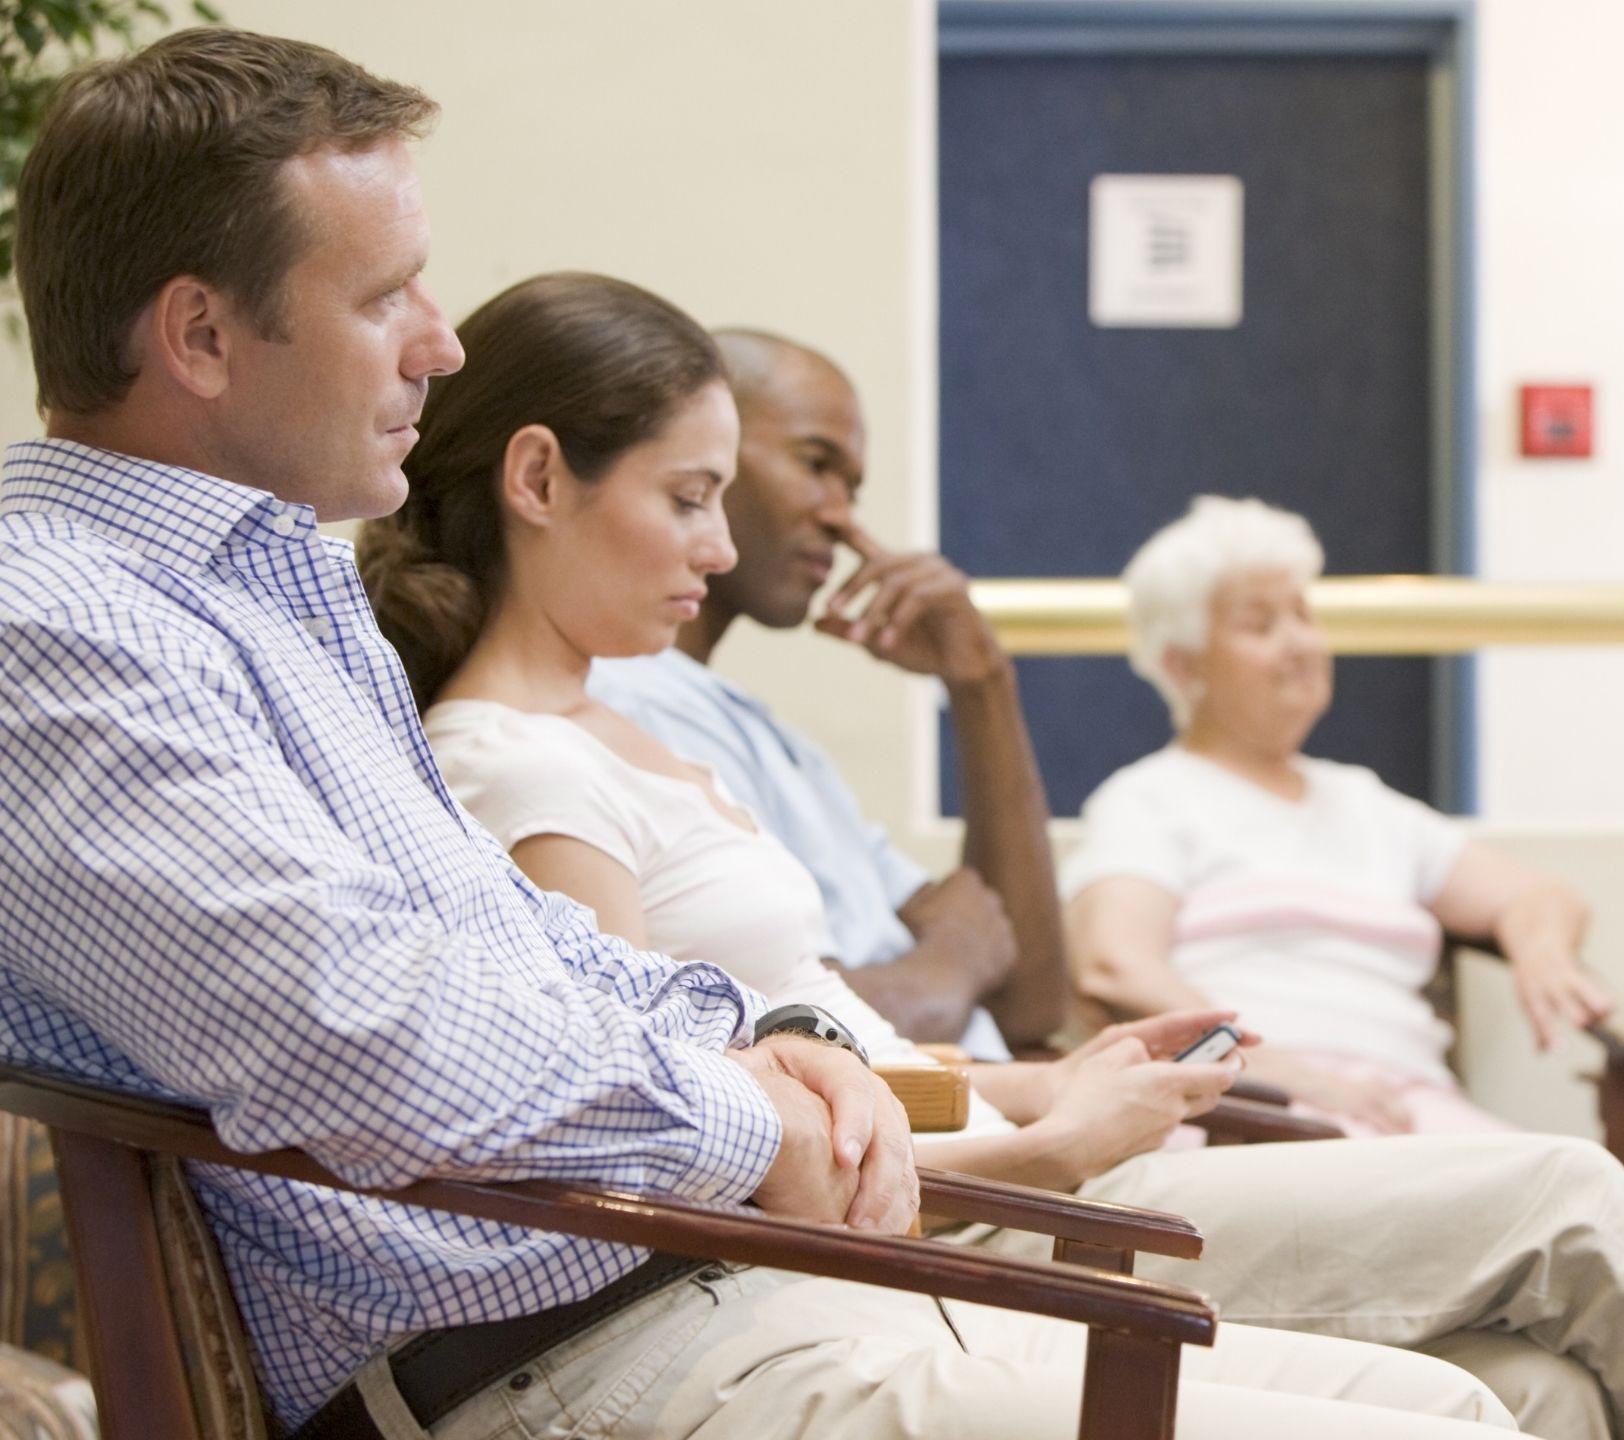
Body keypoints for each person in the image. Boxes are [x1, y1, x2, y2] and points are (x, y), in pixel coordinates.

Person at [378, 304, 1624, 1440]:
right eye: (691, 497)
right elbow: (666, 1150)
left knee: (1535, 1386)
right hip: (867, 1244)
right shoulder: (512, 761)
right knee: (1561, 1202)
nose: (722, 543)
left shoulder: (629, 733)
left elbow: (818, 1048)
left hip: (934, 1174)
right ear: (539, 479)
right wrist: (1044, 1137)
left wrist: (1049, 1081)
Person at [0, 28, 928, 1439]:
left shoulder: (268, 589)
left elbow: (518, 944)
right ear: (198, 336)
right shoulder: (48, 618)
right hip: (536, 1375)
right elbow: (354, 1023)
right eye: (386, 296)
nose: (442, 340)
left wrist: (769, 1039)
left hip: (683, 1307)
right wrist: (753, 1120)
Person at [1064, 496, 1612, 1137]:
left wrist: (1541, 949)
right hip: (1250, 1112)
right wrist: (1286, 1073)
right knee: (1565, 1189)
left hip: (1404, 1105)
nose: (1298, 642)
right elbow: (1114, 963)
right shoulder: (1151, 798)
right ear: (1185, 666)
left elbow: (1540, 894)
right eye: (1259, 624)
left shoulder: (1364, 803)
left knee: (1581, 1183)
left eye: (1302, 614)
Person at [589, 328, 1061, 1061]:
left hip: (1001, 1120)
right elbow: (765, 1024)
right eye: (817, 464)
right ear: (706, 453)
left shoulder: (769, 736)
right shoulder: (623, 702)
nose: (843, 517)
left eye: (854, 487)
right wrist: (951, 963)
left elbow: (1028, 1003)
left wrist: (982, 684)